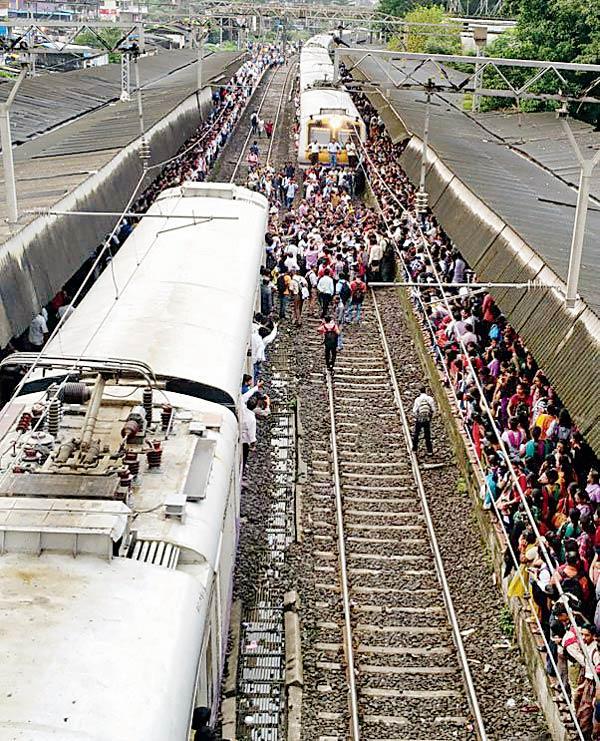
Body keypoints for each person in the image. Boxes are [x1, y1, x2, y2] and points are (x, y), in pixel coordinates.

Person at [412, 386, 436, 455]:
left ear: (419, 391)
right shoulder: (430, 399)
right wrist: (431, 418)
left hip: (419, 419)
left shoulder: (417, 399)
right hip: (427, 419)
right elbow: (434, 410)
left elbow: (414, 410)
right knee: (427, 435)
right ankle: (429, 451)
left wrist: (417, 417)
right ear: (425, 391)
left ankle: (414, 449)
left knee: (416, 434)